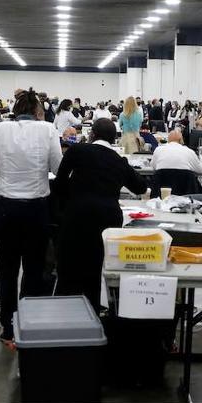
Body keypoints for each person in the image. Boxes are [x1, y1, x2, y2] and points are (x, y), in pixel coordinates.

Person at [0, 88, 62, 344]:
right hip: (36, 208)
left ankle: (7, 326)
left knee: (7, 270)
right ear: (37, 112)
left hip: (6, 207)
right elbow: (57, 167)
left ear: (16, 110)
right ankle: (27, 324)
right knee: (33, 269)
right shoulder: (47, 129)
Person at [52, 118, 148, 310]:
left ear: (92, 134)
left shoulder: (77, 150)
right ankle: (94, 309)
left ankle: (65, 309)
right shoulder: (118, 161)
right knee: (97, 266)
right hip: (108, 219)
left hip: (77, 214)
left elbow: (59, 182)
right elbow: (140, 187)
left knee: (69, 265)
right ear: (114, 139)